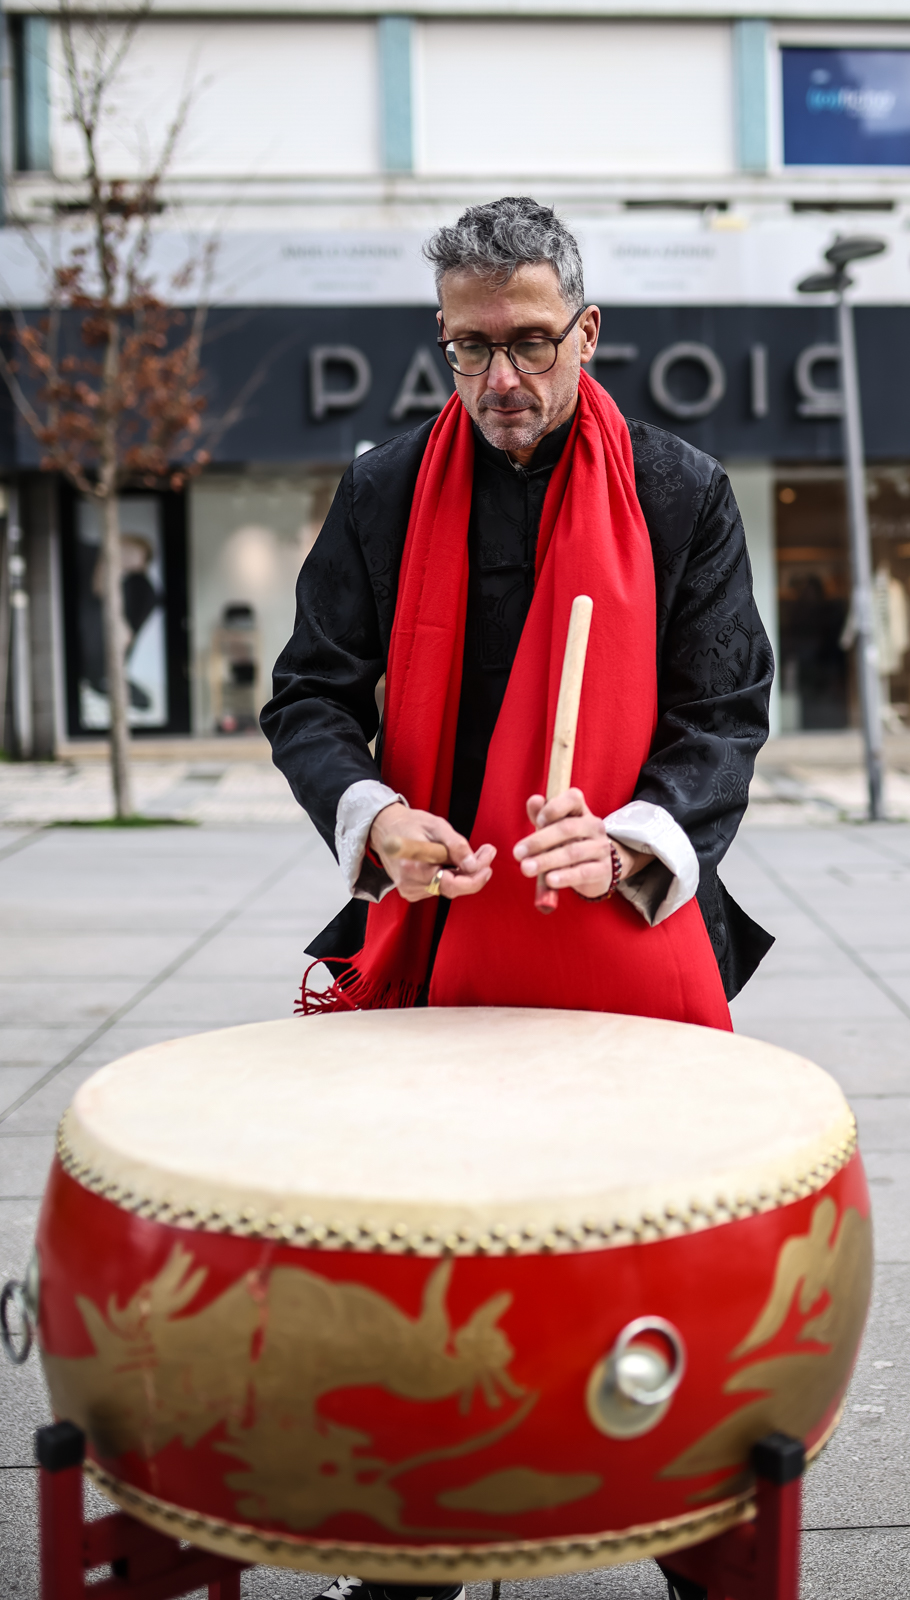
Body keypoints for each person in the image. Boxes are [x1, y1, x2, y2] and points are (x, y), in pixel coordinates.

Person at [262, 197, 773, 1600]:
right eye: (469, 347)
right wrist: (374, 818)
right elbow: (308, 695)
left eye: (530, 342)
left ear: (585, 333)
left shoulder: (678, 490)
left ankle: (684, 1513)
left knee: (647, 1244)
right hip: (433, 931)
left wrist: (631, 840)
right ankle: (419, 1535)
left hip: (619, 928)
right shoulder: (383, 488)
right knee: (429, 1246)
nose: (500, 377)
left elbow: (724, 715)